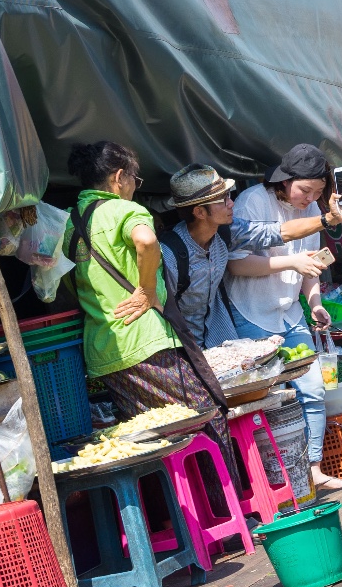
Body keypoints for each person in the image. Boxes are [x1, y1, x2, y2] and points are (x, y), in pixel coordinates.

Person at [65, 141, 228, 452]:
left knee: (148, 441)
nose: (132, 188)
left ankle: (170, 501)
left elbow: (69, 282)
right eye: (134, 181)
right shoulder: (124, 209)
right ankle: (217, 500)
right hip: (147, 341)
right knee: (205, 421)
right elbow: (146, 239)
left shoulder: (69, 223)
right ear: (119, 177)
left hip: (104, 350)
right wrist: (148, 290)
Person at [225, 146, 342, 492]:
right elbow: (236, 264)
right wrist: (292, 264)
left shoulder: (311, 210)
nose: (310, 198)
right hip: (251, 311)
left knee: (313, 389)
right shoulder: (253, 201)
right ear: (284, 180)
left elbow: (309, 262)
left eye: (318, 193)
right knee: (272, 398)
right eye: (304, 190)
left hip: (291, 313)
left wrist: (315, 303)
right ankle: (279, 482)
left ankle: (313, 469)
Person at [156, 163, 342, 348]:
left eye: (228, 196)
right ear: (199, 212)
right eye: (223, 199)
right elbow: (158, 308)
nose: (231, 203)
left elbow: (277, 232)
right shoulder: (170, 255)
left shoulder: (228, 232)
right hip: (180, 345)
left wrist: (328, 219)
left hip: (217, 336)